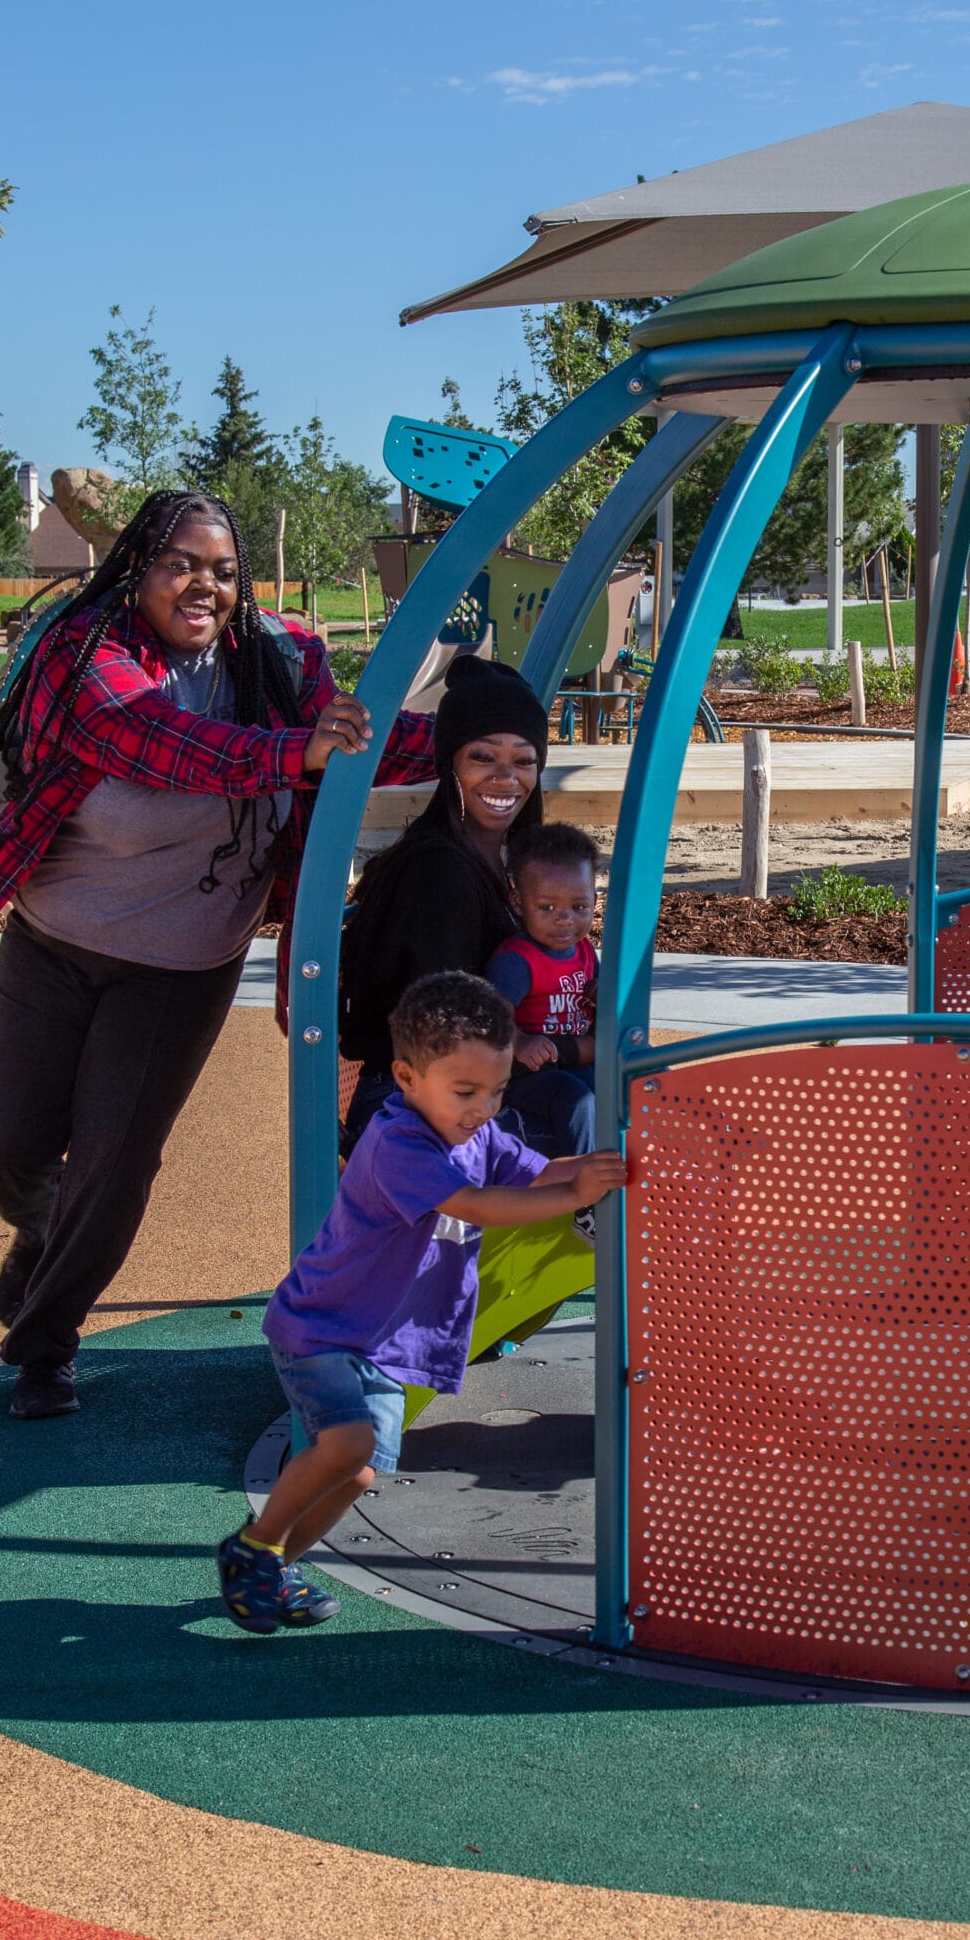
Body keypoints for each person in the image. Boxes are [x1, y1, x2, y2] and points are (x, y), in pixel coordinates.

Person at [0, 488, 372, 1420]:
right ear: (139, 568)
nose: (206, 585)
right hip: (57, 938)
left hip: (184, 964)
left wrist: (486, 743)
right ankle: (41, 1231)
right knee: (10, 1144)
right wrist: (296, 754)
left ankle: (46, 1344)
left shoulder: (281, 662)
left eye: (226, 570)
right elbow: (160, 744)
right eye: (183, 564)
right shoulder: (89, 653)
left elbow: (351, 744)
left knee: (116, 1158)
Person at [218, 970, 627, 1632]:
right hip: (324, 1328)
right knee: (347, 1445)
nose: (481, 1108)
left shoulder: (477, 1134)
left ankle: (267, 1566)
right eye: (464, 1091)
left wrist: (592, 1168)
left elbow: (533, 1170)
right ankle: (256, 1545)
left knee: (354, 1474)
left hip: (381, 1341)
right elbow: (478, 1206)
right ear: (407, 1078)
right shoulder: (398, 1143)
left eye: (494, 1091)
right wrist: (572, 1196)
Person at [338, 653, 594, 1161]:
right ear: (449, 761)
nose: (506, 778)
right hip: (417, 1107)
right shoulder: (439, 874)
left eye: (523, 761)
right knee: (618, 1124)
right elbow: (450, 1041)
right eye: (483, 757)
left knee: (640, 1100)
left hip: (473, 1083)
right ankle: (605, 1228)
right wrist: (575, 1050)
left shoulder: (505, 866)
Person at [486, 819, 599, 1086]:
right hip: (534, 1072)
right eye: (547, 908)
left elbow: (604, 997)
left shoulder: (584, 949)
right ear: (518, 903)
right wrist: (520, 1041)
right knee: (578, 1101)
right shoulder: (517, 959)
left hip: (579, 1060)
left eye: (579, 906)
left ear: (594, 898)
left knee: (647, 1073)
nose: (565, 919)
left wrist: (601, 991)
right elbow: (491, 1015)